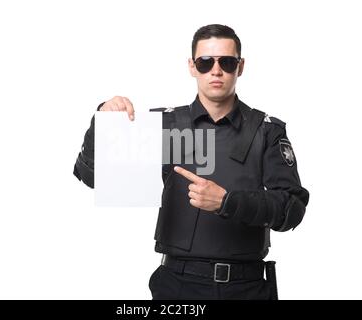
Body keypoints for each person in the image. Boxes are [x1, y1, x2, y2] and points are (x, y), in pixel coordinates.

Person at [73, 24, 310, 300]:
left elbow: (292, 210)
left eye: (227, 62)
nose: (216, 70)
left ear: (240, 66)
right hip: (178, 286)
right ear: (192, 66)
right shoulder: (165, 126)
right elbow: (93, 177)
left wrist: (227, 201)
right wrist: (102, 121)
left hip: (248, 287)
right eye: (205, 62)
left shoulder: (266, 130)